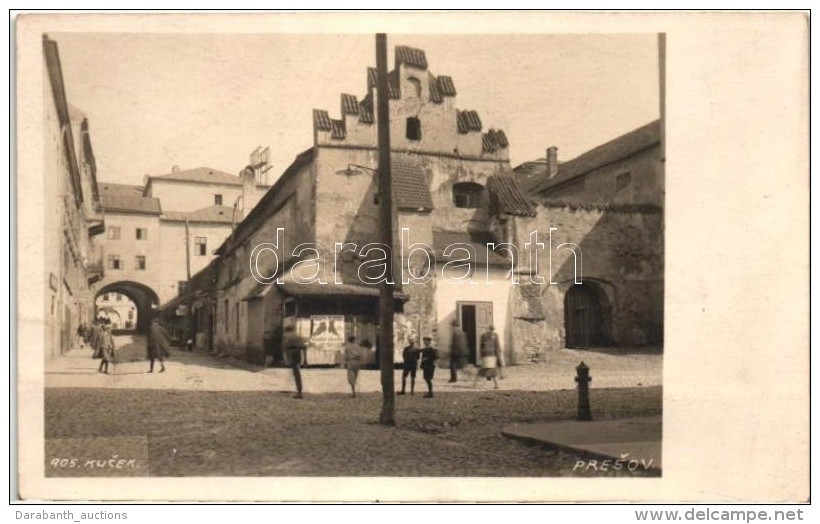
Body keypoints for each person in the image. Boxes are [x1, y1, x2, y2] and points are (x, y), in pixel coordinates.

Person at [282, 324, 308, 399]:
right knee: (295, 372)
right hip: (298, 354)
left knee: (296, 372)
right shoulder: (298, 337)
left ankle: (299, 391)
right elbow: (304, 347)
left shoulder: (288, 337)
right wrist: (305, 359)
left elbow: (285, 348)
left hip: (292, 354)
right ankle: (294, 389)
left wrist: (286, 358)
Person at [474, 325, 501, 389]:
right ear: (493, 329)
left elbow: (481, 346)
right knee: (492, 370)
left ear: (488, 329)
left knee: (482, 369)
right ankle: (496, 385)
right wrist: (498, 356)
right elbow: (497, 346)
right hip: (492, 355)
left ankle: (474, 384)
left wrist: (480, 355)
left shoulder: (483, 335)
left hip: (485, 354)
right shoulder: (495, 335)